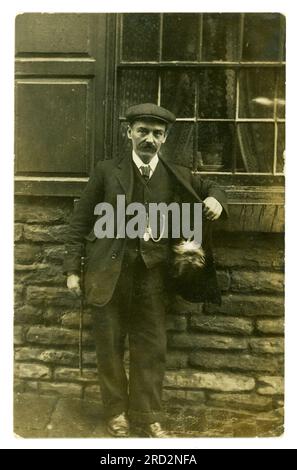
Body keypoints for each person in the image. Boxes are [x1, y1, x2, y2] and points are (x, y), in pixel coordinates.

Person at [64, 103, 228, 438]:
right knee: (109, 345)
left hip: (152, 276)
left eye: (156, 133)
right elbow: (79, 223)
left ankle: (148, 415)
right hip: (109, 272)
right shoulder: (107, 171)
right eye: (142, 131)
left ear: (165, 138)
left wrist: (217, 201)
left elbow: (211, 188)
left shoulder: (176, 173)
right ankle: (116, 413)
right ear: (129, 133)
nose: (149, 139)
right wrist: (72, 270)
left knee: (151, 345)